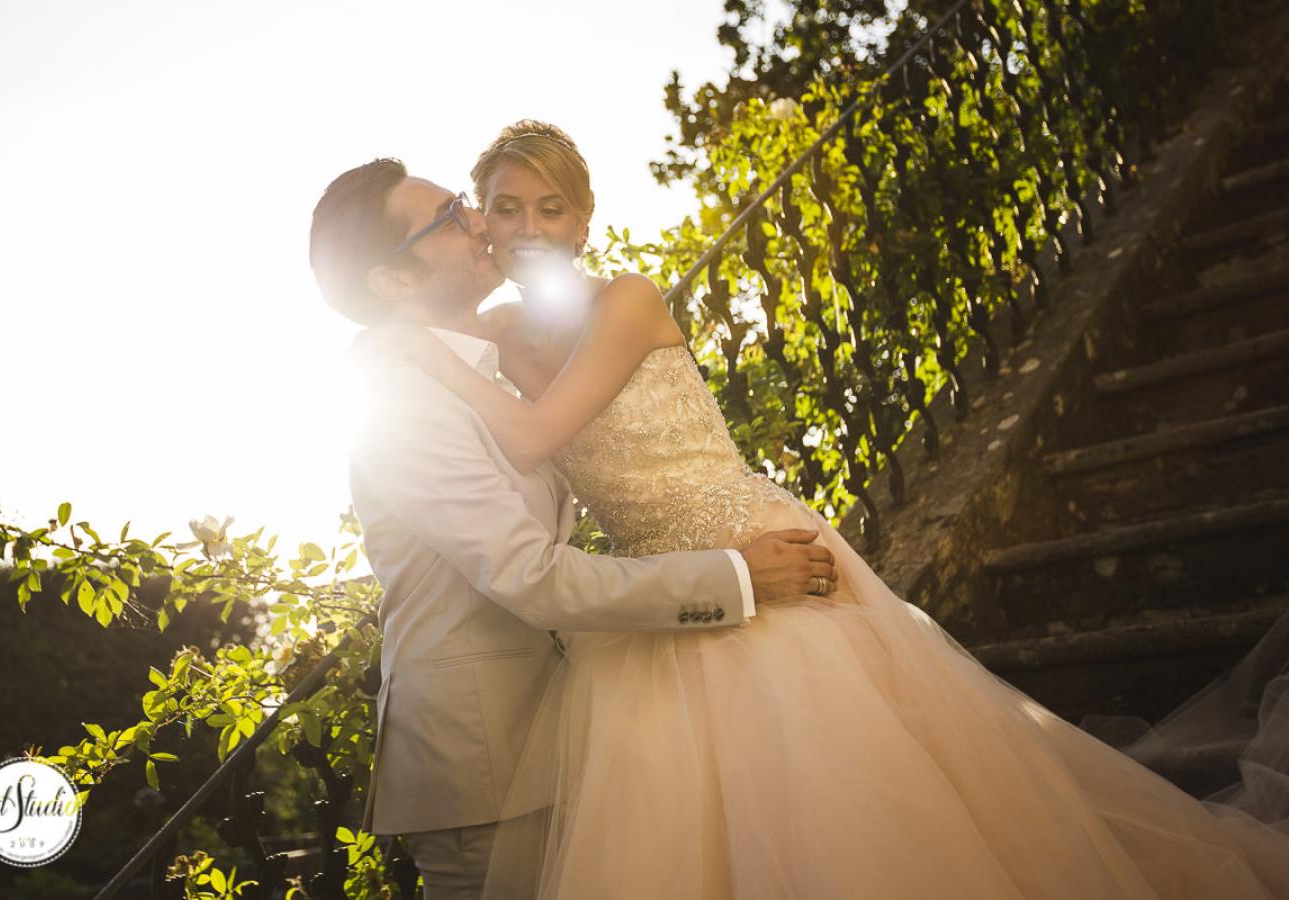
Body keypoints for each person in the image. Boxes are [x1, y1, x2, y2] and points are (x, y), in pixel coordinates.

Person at [386, 121, 1289, 899]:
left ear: (585, 221)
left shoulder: (625, 300)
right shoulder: (494, 335)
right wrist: (394, 338)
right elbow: (418, 326)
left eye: (553, 207)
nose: (531, 227)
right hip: (648, 602)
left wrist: (411, 355)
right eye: (507, 207)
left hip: (753, 552)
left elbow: (534, 437)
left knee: (837, 807)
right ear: (481, 221)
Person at [307, 157, 841, 899]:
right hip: (483, 770)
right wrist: (738, 576)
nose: (476, 224)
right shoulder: (401, 397)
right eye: (449, 218)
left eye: (462, 204)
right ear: (394, 281)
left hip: (553, 729)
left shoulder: (481, 365)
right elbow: (531, 574)